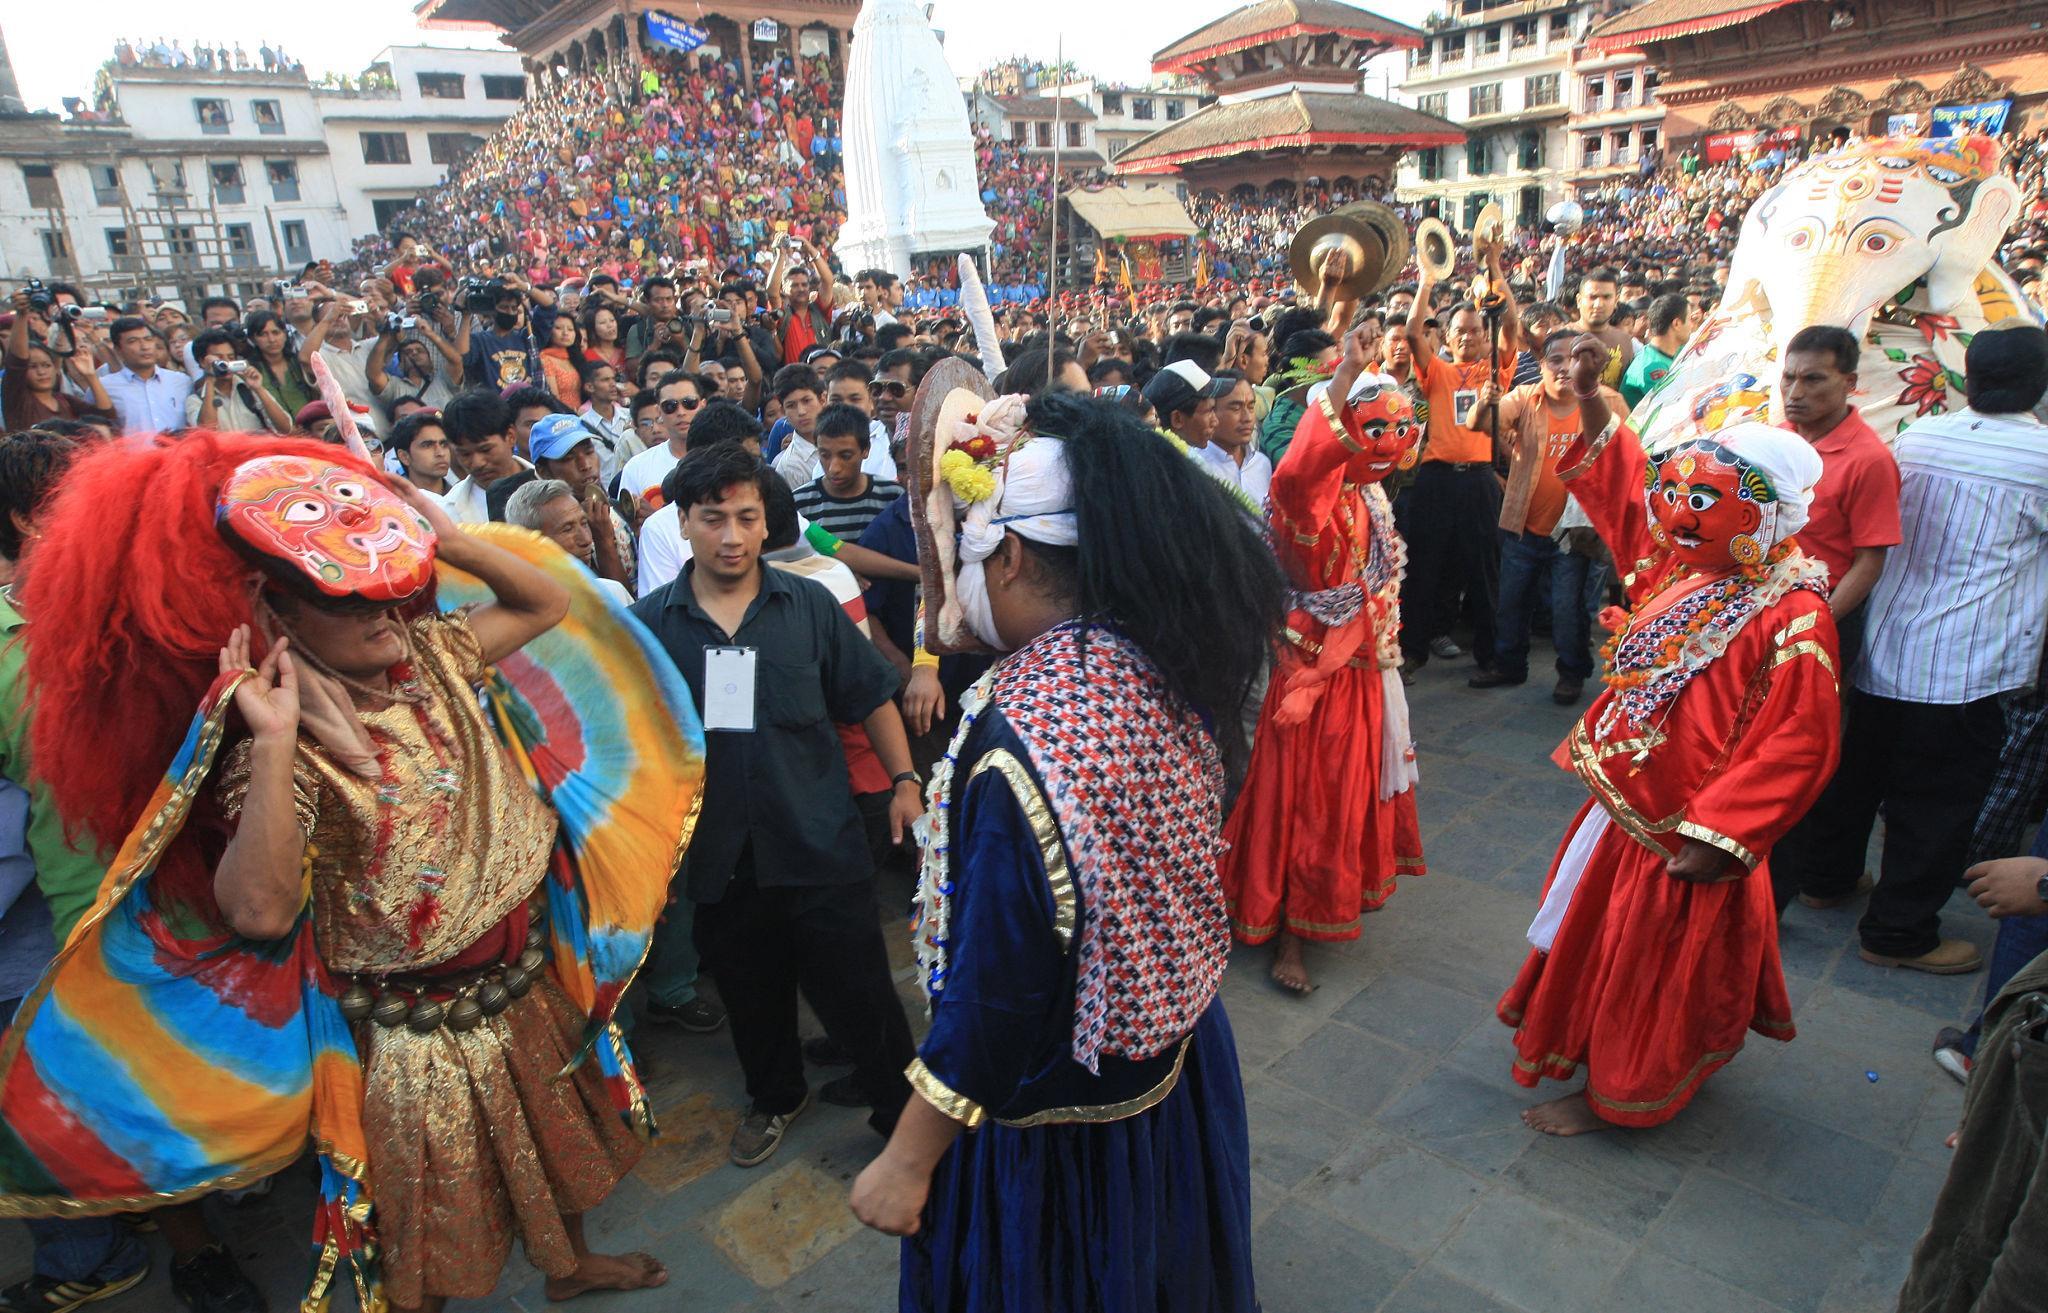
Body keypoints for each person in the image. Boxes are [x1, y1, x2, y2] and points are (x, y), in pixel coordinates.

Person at [0, 432, 690, 1311]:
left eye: (393, 593)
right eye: (354, 602)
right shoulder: (276, 753)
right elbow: (256, 908)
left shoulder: (436, 651)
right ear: (279, 613)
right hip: (409, 1040)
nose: (386, 619)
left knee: (556, 1148)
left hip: (522, 983)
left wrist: (445, 536)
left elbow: (546, 599)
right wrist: (280, 736)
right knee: (421, 1229)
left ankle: (569, 1265)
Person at [849, 390, 1281, 1312]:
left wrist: (908, 1155)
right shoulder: (1151, 657)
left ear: (1006, 553)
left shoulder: (1026, 735)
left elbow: (1000, 986)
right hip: (1170, 1056)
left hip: (1059, 1113)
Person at [1498, 337, 1839, 1136]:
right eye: (1678, 499)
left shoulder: (1793, 614)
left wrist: (1723, 835)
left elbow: (1801, 741)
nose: (1679, 519)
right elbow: (1620, 499)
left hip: (1685, 832)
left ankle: (1623, 1087)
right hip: (1630, 812)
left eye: (1706, 505)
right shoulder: (1692, 572)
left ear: (1765, 518)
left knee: (1648, 965)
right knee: (1607, 946)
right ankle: (1612, 1051)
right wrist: (1590, 397)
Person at [629, 442, 922, 1166]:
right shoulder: (649, 626)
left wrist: (905, 784)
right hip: (720, 854)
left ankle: (901, 1112)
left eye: (746, 517)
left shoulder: (811, 605)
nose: (731, 536)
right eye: (713, 518)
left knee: (860, 988)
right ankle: (776, 1095)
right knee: (750, 992)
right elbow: (632, 745)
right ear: (685, 524)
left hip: (818, 835)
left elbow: (869, 697)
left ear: (766, 524)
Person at [1770, 326, 2048, 975]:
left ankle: (1826, 876)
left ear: (1967, 378)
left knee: (1858, 775)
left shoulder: (1919, 437)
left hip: (1889, 645)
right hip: (1966, 664)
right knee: (1935, 803)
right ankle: (1899, 931)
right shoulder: (2040, 456)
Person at [1222, 329, 1426, 994]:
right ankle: (1289, 928)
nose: (1391, 443)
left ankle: (1324, 904)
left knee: (1344, 798)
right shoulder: (1311, 499)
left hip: (1364, 668)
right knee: (1302, 801)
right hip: (1311, 672)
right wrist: (1347, 379)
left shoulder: (1371, 496)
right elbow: (1299, 470)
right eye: (1376, 428)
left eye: (1401, 428)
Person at [1469, 329, 1627, 703]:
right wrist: (1483, 404)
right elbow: (1479, 425)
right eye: (1555, 359)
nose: (1564, 368)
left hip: (1574, 535)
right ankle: (1509, 665)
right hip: (1523, 527)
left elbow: (1627, 455)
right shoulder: (1525, 398)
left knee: (1568, 611)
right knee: (1511, 603)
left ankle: (1571, 673)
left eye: (1573, 359)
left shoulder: (1607, 402)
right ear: (1541, 365)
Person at [1402, 233, 1522, 673]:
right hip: (1435, 479)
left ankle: (1490, 655)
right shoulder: (1438, 371)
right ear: (1447, 338)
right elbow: (1414, 331)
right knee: (1423, 565)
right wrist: (1427, 280)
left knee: (1484, 569)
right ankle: (1412, 648)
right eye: (1459, 331)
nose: (1469, 337)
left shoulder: (1496, 369)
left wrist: (1493, 266)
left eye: (1476, 331)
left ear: (1486, 340)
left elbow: (1510, 324)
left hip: (1477, 479)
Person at [506, 477, 631, 606]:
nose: (586, 540)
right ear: (531, 541)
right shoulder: (516, 615)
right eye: (567, 529)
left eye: (584, 523)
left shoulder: (611, 592)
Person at [793, 403, 902, 541]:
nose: (834, 468)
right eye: (825, 455)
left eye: (845, 456)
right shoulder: (799, 504)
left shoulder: (892, 497)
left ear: (866, 450)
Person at [439, 387, 532, 524]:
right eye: (465, 454)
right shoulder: (449, 513)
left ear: (510, 436)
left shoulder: (550, 480)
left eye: (486, 449)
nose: (477, 463)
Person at [99, 315, 193, 434]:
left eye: (148, 339)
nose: (144, 347)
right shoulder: (104, 387)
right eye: (133, 341)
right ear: (118, 349)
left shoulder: (182, 381)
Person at [187, 328, 292, 433]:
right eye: (219, 359)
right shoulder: (195, 400)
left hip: (259, 449)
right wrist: (210, 380)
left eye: (231, 357)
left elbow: (285, 428)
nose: (226, 363)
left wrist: (258, 389)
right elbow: (206, 432)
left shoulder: (249, 390)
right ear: (202, 362)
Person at [1201, 369, 1272, 505]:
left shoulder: (1262, 464)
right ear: (1212, 411)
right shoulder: (1198, 465)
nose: (1247, 418)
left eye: (1251, 407)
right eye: (1236, 408)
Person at [1566, 268, 1635, 388]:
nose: (1598, 304)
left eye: (1606, 297)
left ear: (1616, 301)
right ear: (1579, 300)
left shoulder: (1625, 341)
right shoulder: (1562, 337)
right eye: (1592, 297)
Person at [1620, 293, 1686, 409]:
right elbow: (1673, 407)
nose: (1692, 325)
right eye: (1690, 319)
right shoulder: (1651, 366)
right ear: (1677, 324)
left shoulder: (1673, 352)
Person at [387, 409, 453, 496]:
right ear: (404, 457)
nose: (440, 453)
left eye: (444, 444)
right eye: (427, 445)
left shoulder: (466, 496)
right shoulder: (395, 506)